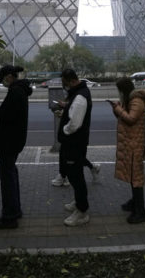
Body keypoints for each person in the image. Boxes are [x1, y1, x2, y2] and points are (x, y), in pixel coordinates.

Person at [0, 64, 31, 229]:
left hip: (8, 141)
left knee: (7, 179)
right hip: (16, 140)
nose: (3, 82)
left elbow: (6, 115)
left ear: (8, 77)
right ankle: (15, 210)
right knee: (11, 174)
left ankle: (10, 216)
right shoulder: (21, 90)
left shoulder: (15, 92)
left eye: (3, 79)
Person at [109, 77, 145, 223]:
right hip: (130, 144)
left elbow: (131, 119)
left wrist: (118, 109)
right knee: (133, 177)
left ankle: (141, 212)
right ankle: (135, 203)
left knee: (136, 178)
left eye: (120, 90)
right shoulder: (130, 100)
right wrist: (117, 108)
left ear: (124, 90)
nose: (119, 93)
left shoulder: (136, 101)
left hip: (134, 145)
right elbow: (122, 118)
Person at [56, 68, 93, 227]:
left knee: (76, 177)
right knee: (74, 175)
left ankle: (82, 211)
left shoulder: (80, 96)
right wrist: (66, 111)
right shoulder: (79, 93)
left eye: (65, 83)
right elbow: (74, 113)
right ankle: (78, 202)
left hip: (74, 142)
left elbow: (75, 124)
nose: (64, 86)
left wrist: (64, 130)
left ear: (71, 80)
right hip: (75, 142)